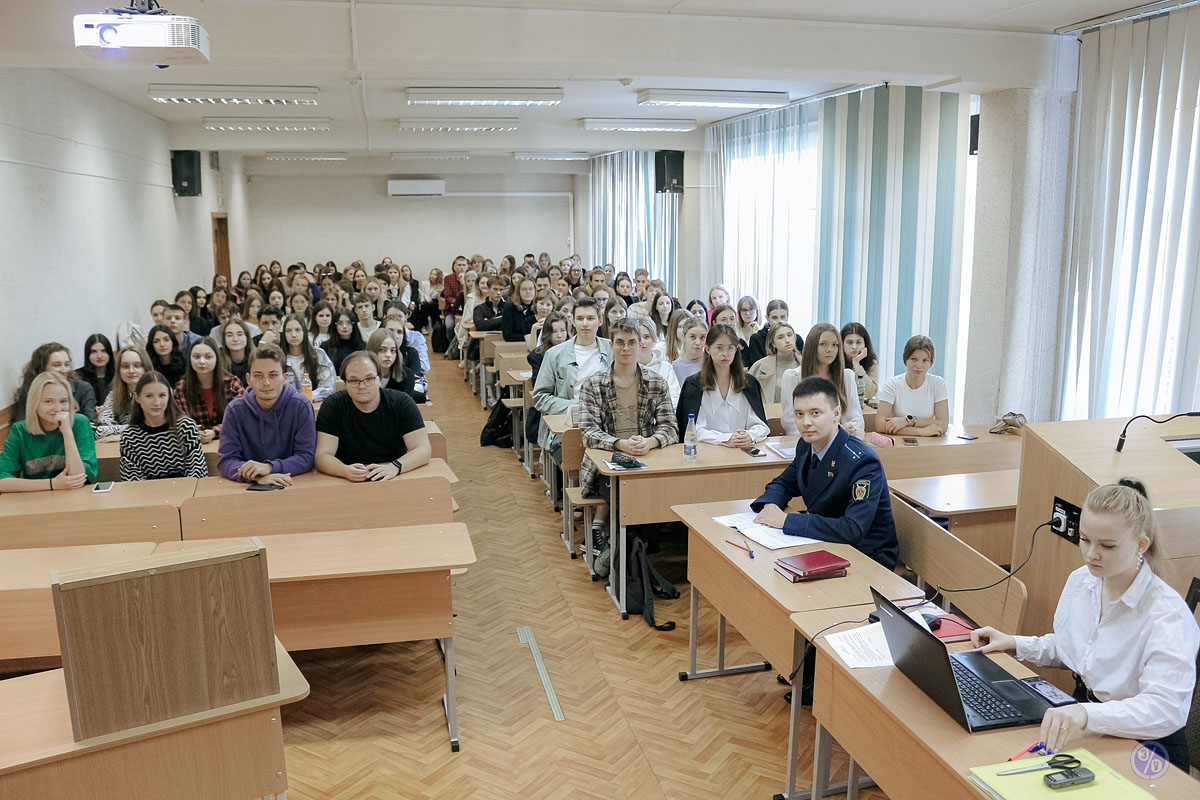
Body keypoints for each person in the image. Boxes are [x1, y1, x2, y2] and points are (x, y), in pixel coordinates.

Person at [971, 479, 1200, 770]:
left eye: (1107, 545)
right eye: (1085, 539)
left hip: (1147, 744)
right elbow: (1076, 649)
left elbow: (1165, 709)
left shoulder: (1167, 615)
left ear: (1141, 544)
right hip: (1087, 717)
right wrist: (1016, 643)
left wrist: (1087, 715)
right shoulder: (1082, 580)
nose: (1092, 553)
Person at [751, 376, 899, 568]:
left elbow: (852, 529)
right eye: (799, 414)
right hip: (827, 542)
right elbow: (783, 483)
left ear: (836, 413)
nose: (806, 422)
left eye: (815, 413)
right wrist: (770, 507)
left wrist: (786, 521)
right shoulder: (806, 445)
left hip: (866, 555)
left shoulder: (862, 461)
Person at [578, 319, 679, 538]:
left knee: (655, 509)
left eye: (632, 342)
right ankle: (620, 553)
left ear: (640, 344)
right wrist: (620, 444)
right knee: (626, 501)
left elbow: (670, 428)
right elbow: (589, 433)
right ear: (611, 345)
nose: (626, 348)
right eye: (620, 343)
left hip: (646, 461)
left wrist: (650, 442)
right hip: (606, 464)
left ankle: (625, 554)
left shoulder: (656, 382)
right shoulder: (593, 384)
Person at [315, 351, 432, 481]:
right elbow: (322, 455)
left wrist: (395, 467)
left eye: (369, 378)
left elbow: (423, 449)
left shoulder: (401, 402)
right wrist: (345, 471)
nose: (362, 386)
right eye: (354, 380)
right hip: (346, 477)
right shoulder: (332, 405)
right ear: (345, 382)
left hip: (394, 474)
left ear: (380, 378)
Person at [218, 343, 317, 486]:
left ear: (285, 378)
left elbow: (306, 457)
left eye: (273, 375)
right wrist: (255, 477)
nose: (266, 382)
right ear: (248, 379)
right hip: (249, 488)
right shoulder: (234, 410)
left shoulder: (300, 406)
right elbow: (226, 460)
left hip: (294, 483)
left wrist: (269, 467)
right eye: (258, 376)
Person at [532, 297, 613, 468]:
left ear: (600, 320)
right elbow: (540, 397)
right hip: (568, 425)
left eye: (590, 318)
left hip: (607, 424)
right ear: (573, 321)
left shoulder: (612, 349)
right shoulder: (555, 354)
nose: (585, 324)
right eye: (580, 318)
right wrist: (576, 405)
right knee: (574, 454)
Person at [0, 372, 97, 492]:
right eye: (48, 401)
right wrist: (52, 484)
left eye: (63, 401)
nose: (58, 408)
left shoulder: (79, 423)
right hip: (37, 498)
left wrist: (67, 431)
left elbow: (77, 478)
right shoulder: (19, 430)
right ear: (35, 403)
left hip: (77, 496)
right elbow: (2, 481)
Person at [675, 324, 769, 446]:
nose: (725, 353)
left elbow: (760, 425)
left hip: (743, 451)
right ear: (708, 349)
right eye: (719, 348)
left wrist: (750, 435)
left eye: (730, 348)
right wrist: (726, 439)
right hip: (706, 452)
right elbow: (694, 430)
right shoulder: (693, 384)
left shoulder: (749, 383)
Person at [781, 323, 865, 439]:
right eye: (823, 344)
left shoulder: (846, 376)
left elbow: (856, 417)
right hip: (807, 443)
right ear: (812, 346)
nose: (830, 350)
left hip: (840, 442)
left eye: (835, 345)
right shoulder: (793, 377)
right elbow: (790, 423)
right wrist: (828, 433)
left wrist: (852, 427)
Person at [119, 372, 207, 481]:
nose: (157, 403)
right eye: (149, 396)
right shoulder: (129, 436)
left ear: (169, 395)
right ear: (137, 397)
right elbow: (131, 480)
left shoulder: (186, 427)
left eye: (162, 395)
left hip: (187, 491)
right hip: (146, 494)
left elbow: (198, 472)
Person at [173, 338, 244, 443]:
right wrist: (194, 432)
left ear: (216, 358)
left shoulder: (232, 383)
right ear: (190, 359)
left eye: (208, 357)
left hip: (230, 441)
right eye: (196, 357)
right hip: (196, 446)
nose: (202, 361)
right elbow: (178, 421)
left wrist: (215, 431)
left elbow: (241, 416)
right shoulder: (181, 388)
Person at [876, 335, 949, 436]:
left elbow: (943, 424)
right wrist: (920, 431)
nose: (919, 365)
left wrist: (907, 421)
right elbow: (880, 425)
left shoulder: (938, 383)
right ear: (905, 359)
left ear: (931, 362)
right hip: (899, 442)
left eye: (925, 360)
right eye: (914, 359)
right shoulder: (892, 384)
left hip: (929, 443)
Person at [96, 345, 152, 440]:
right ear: (119, 371)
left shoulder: (156, 393)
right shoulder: (113, 395)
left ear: (145, 368)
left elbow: (154, 428)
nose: (131, 371)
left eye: (137, 366)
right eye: (125, 366)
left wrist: (119, 436)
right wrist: (134, 431)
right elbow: (101, 430)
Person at [282, 314, 336, 401]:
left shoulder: (319, 354)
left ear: (304, 332)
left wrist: (307, 397)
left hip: (312, 405)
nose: (293, 335)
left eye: (297, 330)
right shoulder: (279, 358)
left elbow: (328, 387)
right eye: (288, 331)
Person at [368, 328, 426, 404]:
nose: (388, 355)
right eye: (382, 350)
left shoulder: (406, 375)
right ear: (372, 351)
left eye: (392, 350)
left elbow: (404, 408)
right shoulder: (361, 375)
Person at [750, 321, 803, 404]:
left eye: (789, 335)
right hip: (769, 415)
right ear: (773, 343)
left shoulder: (806, 364)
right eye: (780, 337)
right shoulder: (759, 366)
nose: (787, 340)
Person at [633, 316, 681, 405]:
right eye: (638, 338)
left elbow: (675, 397)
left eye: (646, 337)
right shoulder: (626, 368)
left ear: (654, 339)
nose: (642, 342)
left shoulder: (666, 367)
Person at [744, 299, 803, 368]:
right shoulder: (757, 338)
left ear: (787, 316)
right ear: (767, 318)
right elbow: (757, 369)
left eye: (783, 317)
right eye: (774, 318)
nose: (779, 321)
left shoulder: (797, 339)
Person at [382, 301, 431, 372]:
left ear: (406, 316)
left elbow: (424, 365)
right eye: (391, 317)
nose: (396, 320)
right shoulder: (380, 336)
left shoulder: (416, 337)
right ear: (385, 317)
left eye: (399, 316)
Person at [840, 322, 879, 407]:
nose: (854, 347)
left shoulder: (871, 362)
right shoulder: (835, 361)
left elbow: (870, 393)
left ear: (865, 343)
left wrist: (856, 364)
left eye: (858, 342)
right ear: (842, 344)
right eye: (849, 342)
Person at [469, 275, 505, 360]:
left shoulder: (508, 308)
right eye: (495, 289)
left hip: (503, 344)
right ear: (488, 290)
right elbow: (481, 325)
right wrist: (502, 319)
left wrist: (490, 322)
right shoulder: (479, 308)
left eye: (501, 290)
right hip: (481, 346)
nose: (498, 293)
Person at [321, 308, 365, 373]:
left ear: (353, 325)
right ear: (335, 325)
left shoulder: (362, 346)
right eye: (340, 323)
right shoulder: (325, 347)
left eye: (348, 323)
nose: (344, 326)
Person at [77, 333, 115, 406]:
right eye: (94, 352)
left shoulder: (118, 375)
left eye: (103, 351)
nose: (99, 356)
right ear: (88, 354)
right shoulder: (78, 377)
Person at [671, 317, 708, 384]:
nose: (698, 342)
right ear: (683, 337)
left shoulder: (711, 363)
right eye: (693, 337)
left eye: (702, 337)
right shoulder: (674, 367)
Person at [220, 318, 254, 386]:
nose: (235, 339)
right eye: (229, 335)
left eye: (240, 334)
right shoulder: (218, 358)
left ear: (247, 336)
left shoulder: (257, 358)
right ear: (224, 339)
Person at [502, 276, 537, 342]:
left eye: (531, 289)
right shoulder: (509, 308)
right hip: (514, 347)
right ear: (518, 291)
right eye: (524, 289)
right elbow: (507, 336)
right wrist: (529, 338)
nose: (528, 292)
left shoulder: (539, 308)